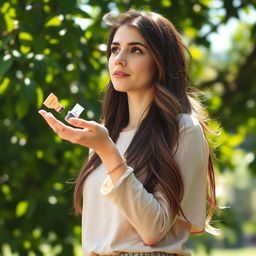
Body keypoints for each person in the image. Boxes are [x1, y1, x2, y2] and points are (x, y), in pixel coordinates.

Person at [39, 9, 218, 256]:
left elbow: (153, 231)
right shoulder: (106, 135)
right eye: (114, 49)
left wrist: (107, 151)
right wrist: (103, 146)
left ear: (161, 61)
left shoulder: (184, 129)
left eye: (136, 50)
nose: (119, 59)